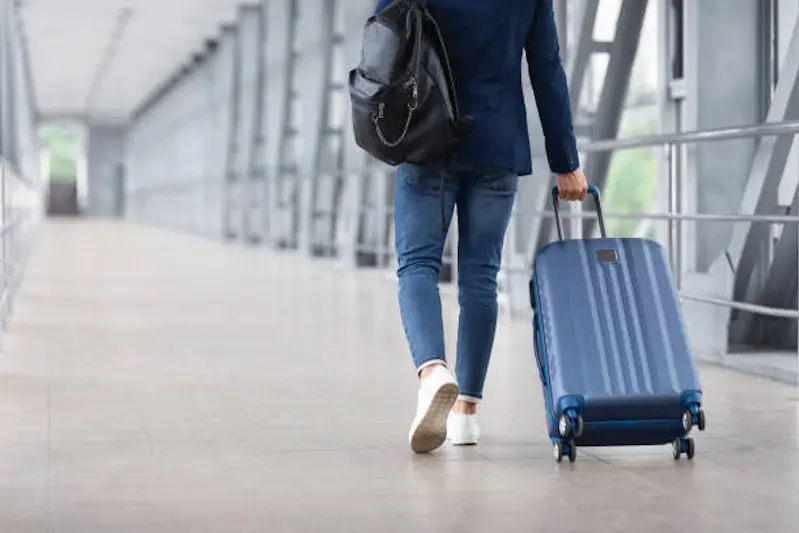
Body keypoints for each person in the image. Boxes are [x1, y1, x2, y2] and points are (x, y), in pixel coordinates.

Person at [376, 0, 589, 453]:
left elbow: (383, 28)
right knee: (479, 280)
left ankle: (433, 372)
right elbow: (547, 70)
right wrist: (565, 162)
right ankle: (466, 416)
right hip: (497, 142)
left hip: (428, 136)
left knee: (417, 265)